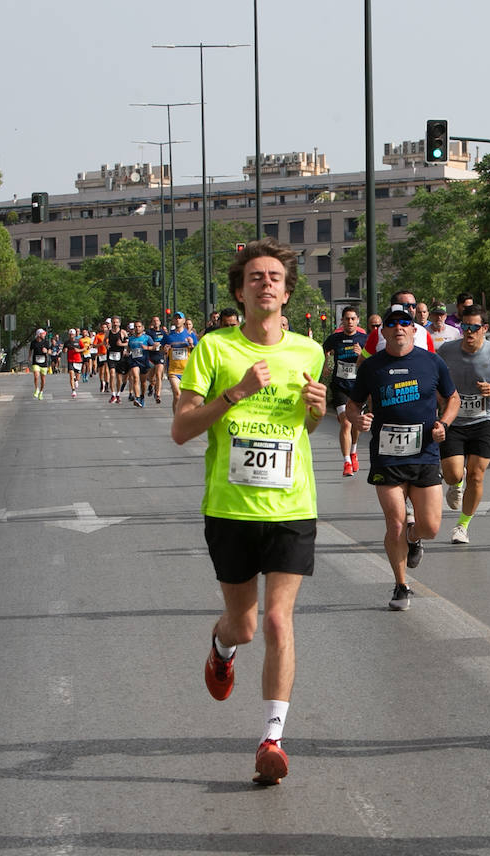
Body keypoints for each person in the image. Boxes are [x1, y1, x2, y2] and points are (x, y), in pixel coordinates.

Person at [170, 237, 327, 786]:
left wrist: (316, 412)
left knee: (280, 620)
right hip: (230, 508)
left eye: (274, 278)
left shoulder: (309, 353)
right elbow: (181, 430)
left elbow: (305, 428)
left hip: (291, 504)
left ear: (287, 293)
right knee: (244, 624)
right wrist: (235, 394)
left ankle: (272, 739)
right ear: (240, 292)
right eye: (255, 277)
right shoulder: (214, 349)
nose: (266, 284)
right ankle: (221, 648)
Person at [345, 301, 457, 611]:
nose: (398, 328)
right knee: (394, 523)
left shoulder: (431, 362)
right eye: (392, 324)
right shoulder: (371, 367)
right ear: (383, 332)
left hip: (425, 453)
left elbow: (453, 398)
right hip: (387, 456)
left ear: (413, 330)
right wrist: (358, 420)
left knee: (430, 527)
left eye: (404, 323)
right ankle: (401, 584)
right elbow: (353, 406)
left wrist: (444, 424)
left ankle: (414, 535)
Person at [436, 303, 490, 544]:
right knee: (452, 474)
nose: (469, 332)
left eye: (474, 327)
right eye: (465, 327)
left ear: (485, 328)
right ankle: (456, 483)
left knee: (477, 475)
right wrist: (441, 398)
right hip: (453, 421)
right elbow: (433, 376)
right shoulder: (447, 350)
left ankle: (462, 526)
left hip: (483, 420)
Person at [321, 304, 368, 477]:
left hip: (358, 386)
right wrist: (325, 364)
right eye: (347, 319)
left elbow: (372, 361)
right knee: (346, 423)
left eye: (353, 319)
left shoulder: (364, 339)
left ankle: (353, 451)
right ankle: (347, 461)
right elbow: (323, 350)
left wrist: (361, 354)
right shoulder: (335, 338)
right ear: (342, 321)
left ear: (357, 321)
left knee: (355, 423)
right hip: (340, 385)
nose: (350, 322)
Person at [363, 291, 435, 355]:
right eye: (406, 306)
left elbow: (433, 361)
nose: (411, 309)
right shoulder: (378, 333)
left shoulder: (424, 333)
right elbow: (363, 361)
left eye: (413, 306)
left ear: (414, 331)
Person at [163, 312, 197, 411]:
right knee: (177, 395)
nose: (177, 320)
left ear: (183, 320)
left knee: (187, 398)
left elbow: (197, 351)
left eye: (180, 318)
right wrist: (164, 349)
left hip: (187, 371)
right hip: (173, 370)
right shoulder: (168, 335)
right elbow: (161, 348)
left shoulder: (190, 335)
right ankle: (177, 418)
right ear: (173, 320)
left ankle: (184, 415)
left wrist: (192, 345)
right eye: (176, 318)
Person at [126, 320, 152, 407]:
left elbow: (154, 347)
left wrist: (147, 348)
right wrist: (127, 352)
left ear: (143, 328)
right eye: (136, 327)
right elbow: (128, 348)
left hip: (144, 362)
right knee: (135, 378)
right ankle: (137, 397)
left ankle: (142, 396)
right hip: (134, 361)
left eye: (139, 326)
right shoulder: (131, 339)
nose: (137, 328)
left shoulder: (147, 338)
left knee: (143, 382)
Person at [105, 317, 128, 403]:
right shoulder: (108, 332)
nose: (115, 324)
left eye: (117, 322)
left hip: (120, 356)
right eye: (114, 322)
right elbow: (104, 341)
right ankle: (113, 394)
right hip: (111, 355)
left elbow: (127, 343)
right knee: (112, 373)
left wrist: (121, 344)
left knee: (119, 377)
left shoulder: (123, 332)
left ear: (119, 323)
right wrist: (106, 345)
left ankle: (118, 394)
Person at [145, 316, 167, 403]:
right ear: (152, 323)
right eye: (154, 321)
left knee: (158, 375)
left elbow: (166, 343)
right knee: (151, 377)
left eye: (157, 320)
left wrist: (166, 348)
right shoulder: (148, 332)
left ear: (160, 322)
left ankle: (158, 395)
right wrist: (153, 345)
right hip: (151, 356)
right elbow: (145, 342)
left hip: (160, 356)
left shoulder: (163, 332)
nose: (156, 322)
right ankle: (151, 385)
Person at [29, 328, 54, 399]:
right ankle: (36, 389)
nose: (44, 335)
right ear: (39, 335)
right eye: (43, 334)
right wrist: (29, 357)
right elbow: (30, 350)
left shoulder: (46, 342)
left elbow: (50, 352)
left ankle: (41, 392)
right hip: (36, 362)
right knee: (36, 376)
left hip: (43, 363)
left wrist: (46, 351)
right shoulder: (33, 342)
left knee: (43, 380)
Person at [63, 328, 83, 398]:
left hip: (78, 360)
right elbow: (64, 350)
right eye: (70, 334)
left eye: (72, 334)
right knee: (71, 375)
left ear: (75, 335)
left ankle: (76, 380)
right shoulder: (66, 342)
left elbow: (84, 348)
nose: (71, 336)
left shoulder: (79, 341)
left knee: (78, 377)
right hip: (70, 360)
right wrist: (65, 350)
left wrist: (79, 350)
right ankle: (73, 390)